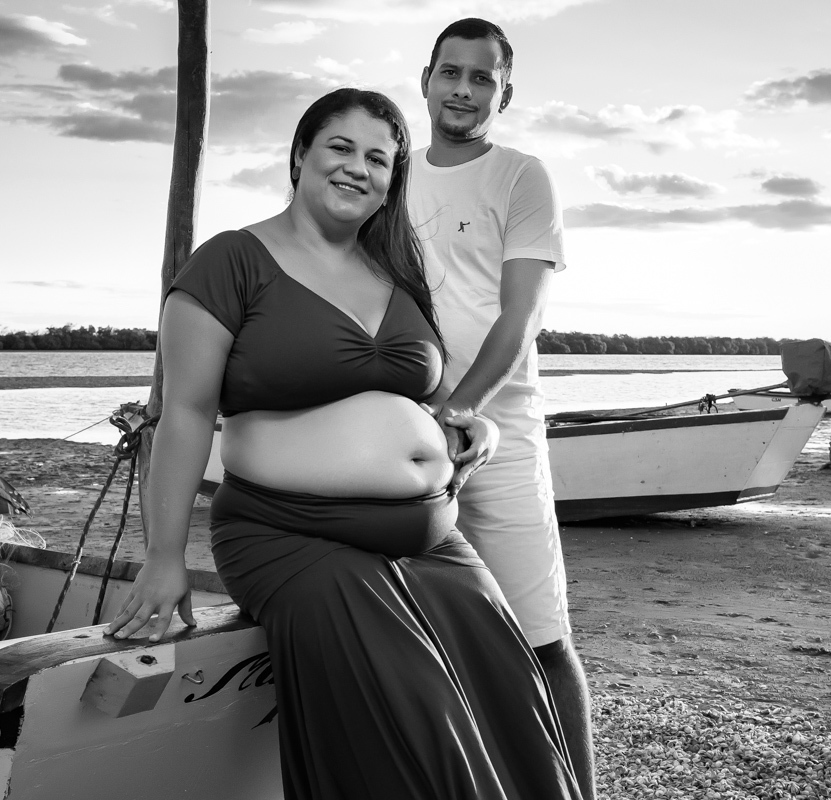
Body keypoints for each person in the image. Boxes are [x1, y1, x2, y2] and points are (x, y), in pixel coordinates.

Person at [105, 88, 583, 800]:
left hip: (428, 539)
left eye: (380, 159)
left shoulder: (396, 271)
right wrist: (166, 557)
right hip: (291, 535)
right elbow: (187, 413)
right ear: (299, 156)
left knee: (511, 683)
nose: (359, 169)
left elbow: (413, 398)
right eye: (340, 148)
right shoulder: (231, 262)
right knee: (417, 702)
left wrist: (467, 424)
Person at [407, 18, 595, 798]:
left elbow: (520, 319)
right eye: (450, 72)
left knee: (541, 634)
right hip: (400, 436)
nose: (462, 88)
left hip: (501, 431)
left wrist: (460, 408)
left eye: (481, 78)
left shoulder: (522, 176)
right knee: (417, 636)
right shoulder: (390, 175)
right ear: (425, 80)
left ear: (504, 93)